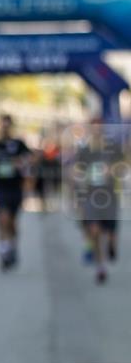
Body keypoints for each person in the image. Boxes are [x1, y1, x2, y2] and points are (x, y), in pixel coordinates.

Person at [72, 119, 122, 284]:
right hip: (90, 195)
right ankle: (100, 267)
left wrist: (112, 170)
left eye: (100, 128)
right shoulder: (84, 150)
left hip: (109, 196)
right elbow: (77, 171)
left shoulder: (113, 148)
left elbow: (123, 168)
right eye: (94, 128)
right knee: (94, 230)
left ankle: (111, 245)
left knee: (109, 232)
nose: (97, 131)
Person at [0, 114, 32, 271]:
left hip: (16, 187)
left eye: (7, 125)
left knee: (12, 222)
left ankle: (12, 245)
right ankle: (4, 251)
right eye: (2, 125)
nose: (5, 128)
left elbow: (33, 158)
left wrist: (21, 162)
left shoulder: (19, 144)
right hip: (0, 187)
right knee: (3, 219)